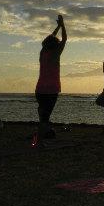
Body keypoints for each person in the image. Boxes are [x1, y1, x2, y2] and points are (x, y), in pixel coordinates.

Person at [35, 14, 67, 147]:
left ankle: (40, 138)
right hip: (51, 90)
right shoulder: (55, 54)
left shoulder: (43, 53)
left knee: (43, 116)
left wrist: (58, 27)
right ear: (55, 45)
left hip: (40, 89)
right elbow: (64, 39)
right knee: (45, 117)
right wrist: (63, 25)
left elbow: (50, 39)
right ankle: (39, 142)